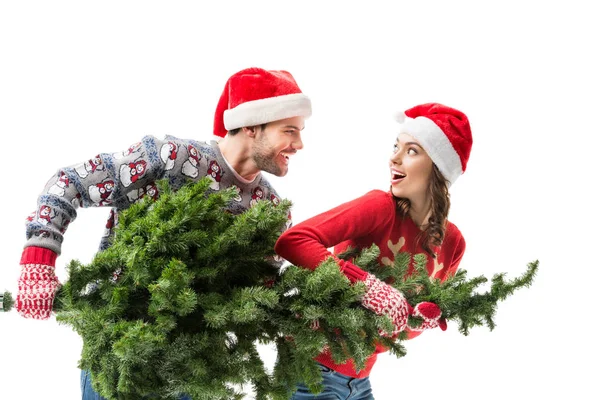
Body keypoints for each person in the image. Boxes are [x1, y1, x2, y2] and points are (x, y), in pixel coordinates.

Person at [15, 67, 312, 400]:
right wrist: (38, 262)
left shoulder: (270, 208)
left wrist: (299, 310)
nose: (300, 144)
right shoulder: (171, 159)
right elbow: (67, 183)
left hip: (195, 370)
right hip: (120, 352)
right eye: (290, 130)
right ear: (250, 125)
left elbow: (257, 291)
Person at [274, 103, 473, 400]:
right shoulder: (380, 207)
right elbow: (294, 240)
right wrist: (367, 287)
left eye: (411, 151)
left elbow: (400, 331)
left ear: (439, 168)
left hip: (360, 377)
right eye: (396, 147)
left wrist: (417, 319)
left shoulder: (453, 243)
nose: (394, 158)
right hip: (311, 367)